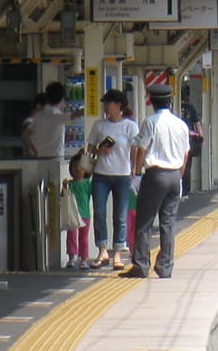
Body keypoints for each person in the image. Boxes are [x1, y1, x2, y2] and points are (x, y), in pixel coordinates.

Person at [124, 84, 190, 279]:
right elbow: (186, 154)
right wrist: (179, 175)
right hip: (174, 175)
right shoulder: (181, 125)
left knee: (144, 221)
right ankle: (165, 266)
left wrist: (136, 173)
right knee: (168, 223)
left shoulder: (150, 122)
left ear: (151, 101)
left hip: (155, 175)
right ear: (170, 101)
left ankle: (141, 265)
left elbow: (142, 148)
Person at [87, 89, 138, 270]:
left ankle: (117, 252)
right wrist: (99, 151)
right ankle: (102, 250)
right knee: (99, 212)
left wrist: (133, 168)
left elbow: (135, 149)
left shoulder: (130, 126)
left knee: (120, 215)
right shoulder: (99, 126)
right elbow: (90, 148)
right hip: (101, 174)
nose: (106, 107)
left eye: (109, 103)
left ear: (118, 105)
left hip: (122, 176)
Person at [64, 153, 93, 269]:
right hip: (72, 214)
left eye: (80, 167)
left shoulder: (88, 183)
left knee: (83, 237)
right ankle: (71, 257)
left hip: (85, 214)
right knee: (71, 235)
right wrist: (64, 187)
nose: (76, 169)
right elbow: (64, 196)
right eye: (74, 167)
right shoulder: (69, 184)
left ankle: (84, 258)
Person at [179, 85, 203, 196]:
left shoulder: (174, 107)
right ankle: (184, 191)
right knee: (187, 166)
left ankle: (177, 189)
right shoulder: (190, 108)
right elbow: (197, 124)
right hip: (188, 140)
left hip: (175, 140)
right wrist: (201, 138)